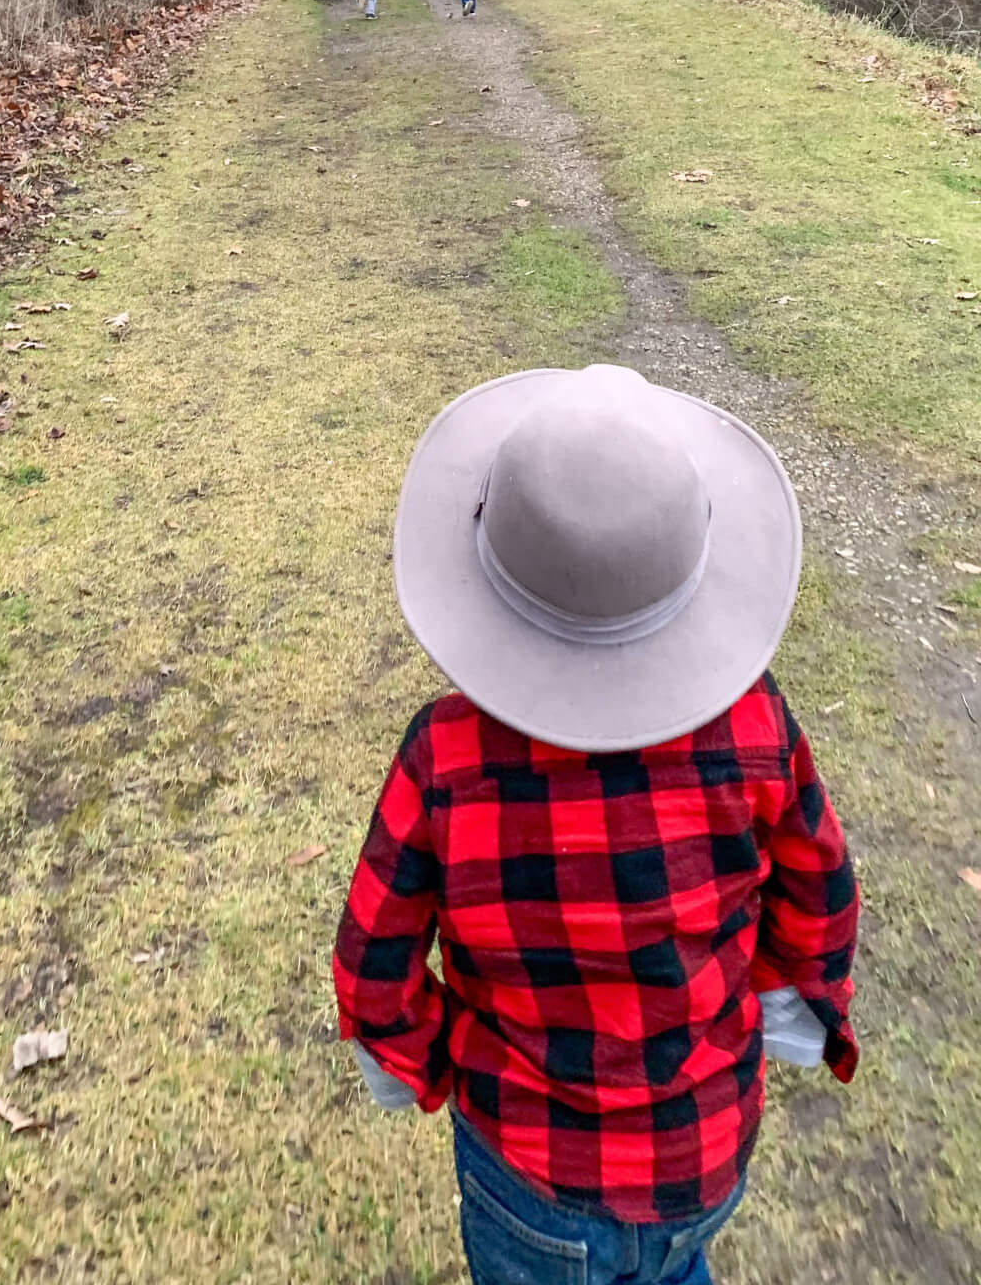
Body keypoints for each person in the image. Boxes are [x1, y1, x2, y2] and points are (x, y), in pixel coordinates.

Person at [334, 364, 859, 1285]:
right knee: (675, 1268)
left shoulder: (444, 759)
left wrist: (415, 1062)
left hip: (523, 1171)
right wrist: (787, 1008)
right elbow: (818, 891)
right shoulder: (756, 730)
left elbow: (374, 955)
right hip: (706, 1153)